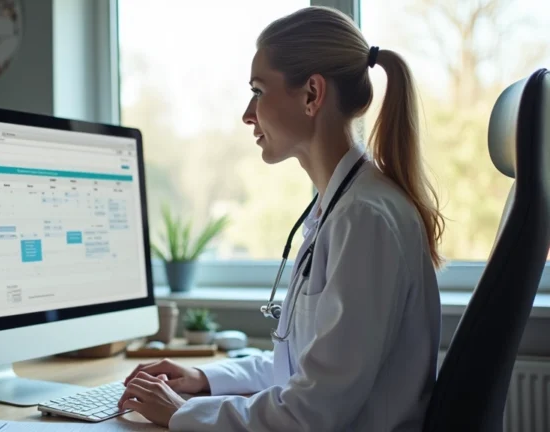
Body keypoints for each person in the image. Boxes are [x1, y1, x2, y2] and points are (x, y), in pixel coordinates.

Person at [116, 5, 446, 431]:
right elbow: (302, 370)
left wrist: (182, 413)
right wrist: (204, 380)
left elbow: (311, 412)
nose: (247, 114)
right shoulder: (341, 207)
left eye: (258, 90)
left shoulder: (364, 219)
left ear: (312, 94)